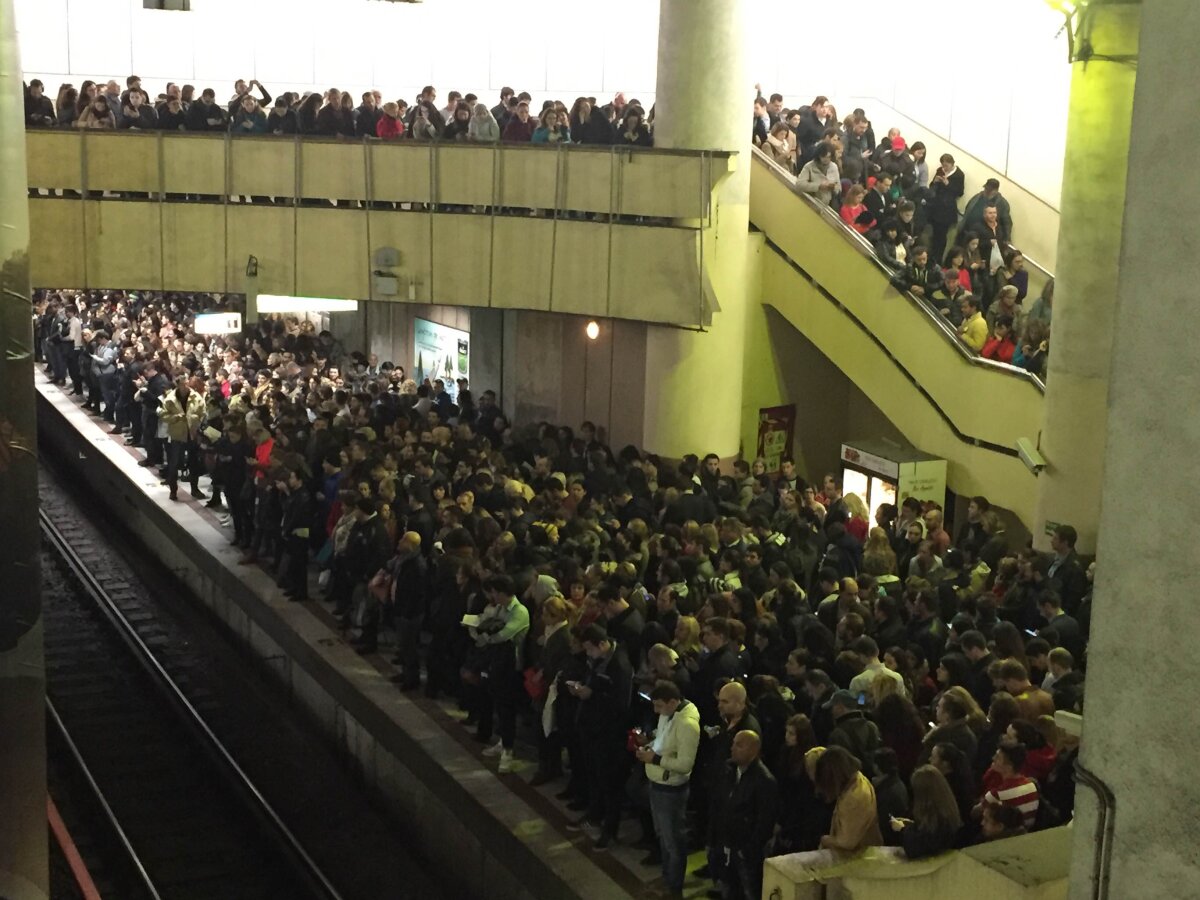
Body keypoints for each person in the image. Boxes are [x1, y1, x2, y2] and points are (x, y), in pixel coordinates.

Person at [566, 623, 632, 847]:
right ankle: (594, 815)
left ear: (603, 645)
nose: (588, 653)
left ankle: (609, 829)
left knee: (608, 781)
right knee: (593, 775)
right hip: (591, 728)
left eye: (590, 649)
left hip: (609, 734)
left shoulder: (619, 666)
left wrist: (591, 695)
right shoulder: (598, 659)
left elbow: (620, 704)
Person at [634, 680, 700, 900]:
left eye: (660, 706)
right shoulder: (668, 715)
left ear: (673, 702)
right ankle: (667, 878)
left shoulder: (687, 724)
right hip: (657, 784)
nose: (656, 711)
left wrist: (655, 758)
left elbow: (685, 764)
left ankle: (675, 887)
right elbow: (663, 739)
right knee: (663, 836)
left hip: (671, 790)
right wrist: (650, 741)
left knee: (673, 841)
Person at [472, 575, 531, 775]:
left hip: (511, 667)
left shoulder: (520, 611)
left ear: (505, 593)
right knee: (498, 704)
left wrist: (486, 635)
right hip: (497, 664)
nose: (493, 596)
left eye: (496, 592)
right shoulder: (499, 608)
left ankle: (508, 749)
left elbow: (504, 634)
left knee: (507, 708)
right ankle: (502, 741)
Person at [715, 731, 778, 900]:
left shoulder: (764, 780)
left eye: (739, 745)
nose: (732, 748)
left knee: (750, 891)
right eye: (734, 743)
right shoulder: (730, 770)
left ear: (754, 750)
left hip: (745, 853)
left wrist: (747, 851)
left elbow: (765, 823)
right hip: (729, 844)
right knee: (731, 889)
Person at [815, 745, 884, 855]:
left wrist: (825, 840)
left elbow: (847, 842)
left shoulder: (853, 798)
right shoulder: (857, 778)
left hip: (859, 858)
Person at [890, 764, 963, 858]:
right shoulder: (945, 809)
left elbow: (917, 848)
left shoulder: (939, 820)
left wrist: (902, 829)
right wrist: (909, 825)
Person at [158, 375, 206, 502]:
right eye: (183, 384)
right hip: (177, 434)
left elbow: (203, 412)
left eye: (187, 383)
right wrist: (175, 418)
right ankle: (173, 490)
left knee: (193, 463)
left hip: (192, 433)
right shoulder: (170, 399)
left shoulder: (196, 397)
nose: (186, 386)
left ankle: (194, 489)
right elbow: (162, 414)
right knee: (174, 463)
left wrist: (195, 419)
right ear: (178, 385)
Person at [974, 742, 1039, 831]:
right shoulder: (1032, 785)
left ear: (1009, 767)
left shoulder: (997, 794)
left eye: (997, 757)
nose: (993, 758)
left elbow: (974, 813)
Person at [277, 468, 314, 601]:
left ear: (299, 480)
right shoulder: (294, 493)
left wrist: (287, 529)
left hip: (300, 532)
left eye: (292, 478)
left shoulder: (303, 495)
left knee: (299, 563)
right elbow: (286, 508)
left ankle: (301, 591)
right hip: (292, 531)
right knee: (293, 562)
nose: (290, 480)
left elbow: (297, 516)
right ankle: (294, 587)